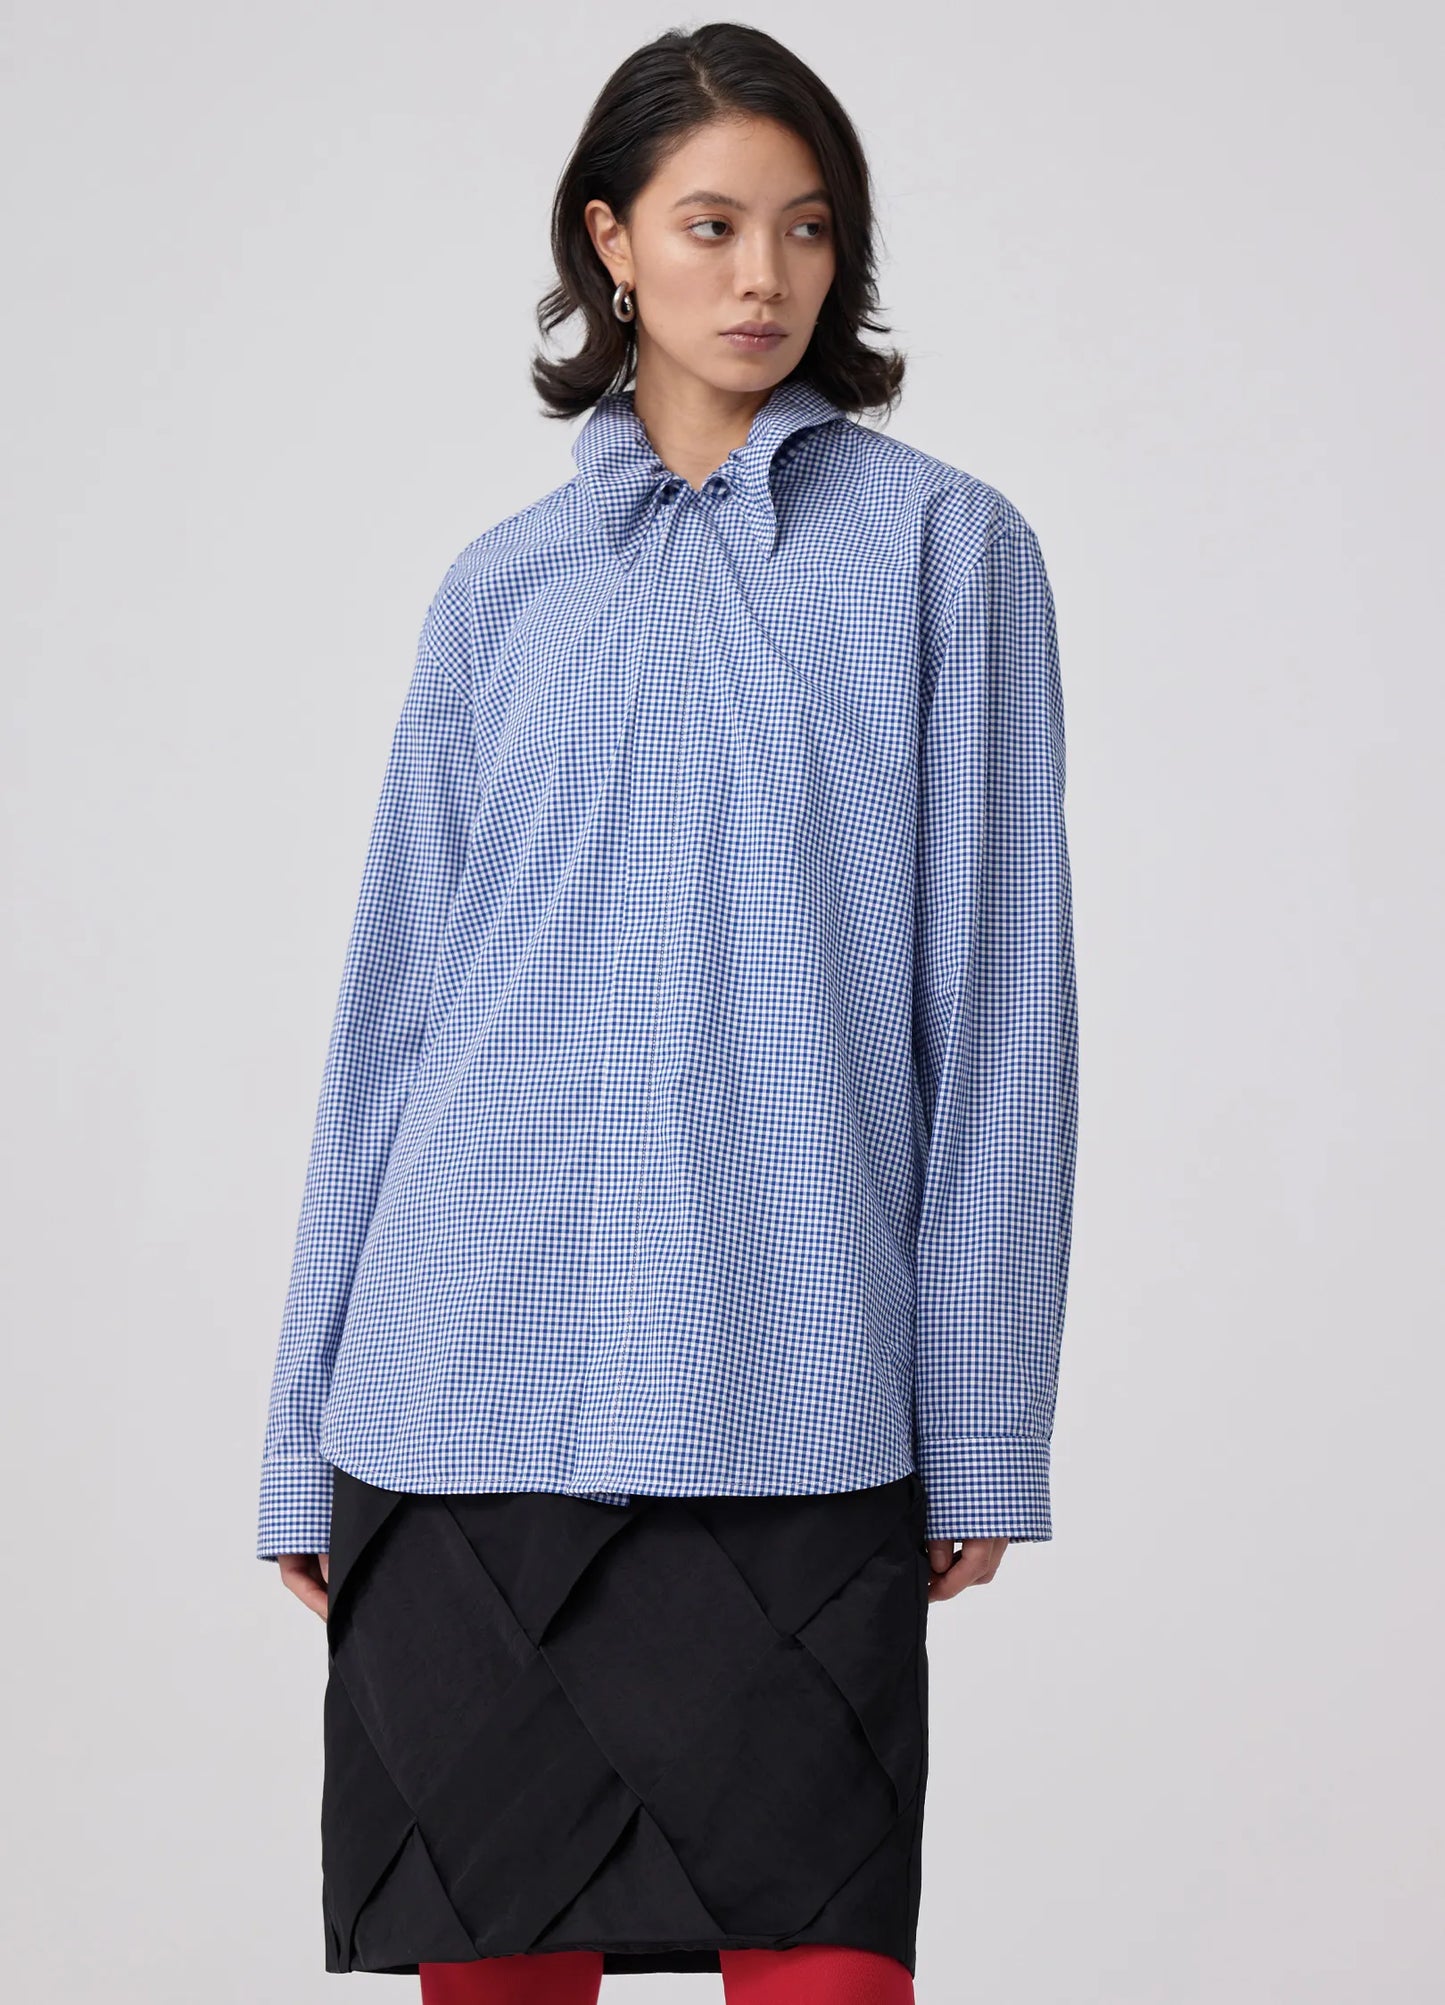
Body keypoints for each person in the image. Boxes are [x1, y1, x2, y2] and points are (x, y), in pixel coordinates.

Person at [256, 22, 1078, 2004]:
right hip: (460, 1406)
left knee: (827, 1970)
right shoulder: (499, 591)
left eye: (808, 227)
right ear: (611, 242)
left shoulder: (946, 553)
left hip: (793, 1393)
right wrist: (300, 1435)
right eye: (710, 224)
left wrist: (978, 1424)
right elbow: (392, 1023)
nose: (764, 273)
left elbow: (1000, 1011)